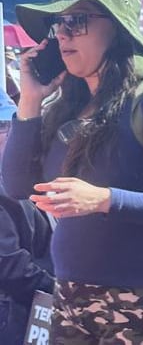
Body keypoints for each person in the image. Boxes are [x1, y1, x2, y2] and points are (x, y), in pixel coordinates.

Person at [1, 0, 143, 344]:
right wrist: (29, 100)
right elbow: (16, 185)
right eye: (57, 24)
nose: (62, 34)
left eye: (76, 21)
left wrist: (103, 200)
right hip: (71, 298)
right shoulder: (62, 110)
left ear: (117, 28)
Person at [0, 89, 54, 345]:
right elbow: (10, 266)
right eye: (5, 126)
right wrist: (60, 288)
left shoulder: (18, 179)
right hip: (13, 316)